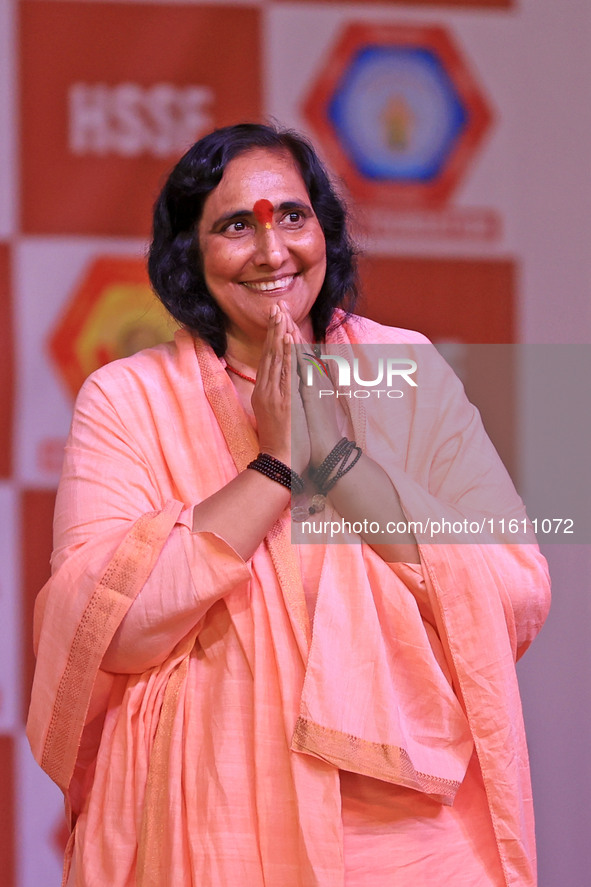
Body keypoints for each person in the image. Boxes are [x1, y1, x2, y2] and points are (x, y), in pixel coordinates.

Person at [27, 123, 551, 887]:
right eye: (236, 225)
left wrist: (334, 462)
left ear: (325, 232)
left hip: (410, 839)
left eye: (292, 217)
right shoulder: (129, 398)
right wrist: (273, 466)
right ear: (190, 255)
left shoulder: (407, 373)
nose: (272, 252)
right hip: (212, 831)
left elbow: (511, 586)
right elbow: (112, 623)